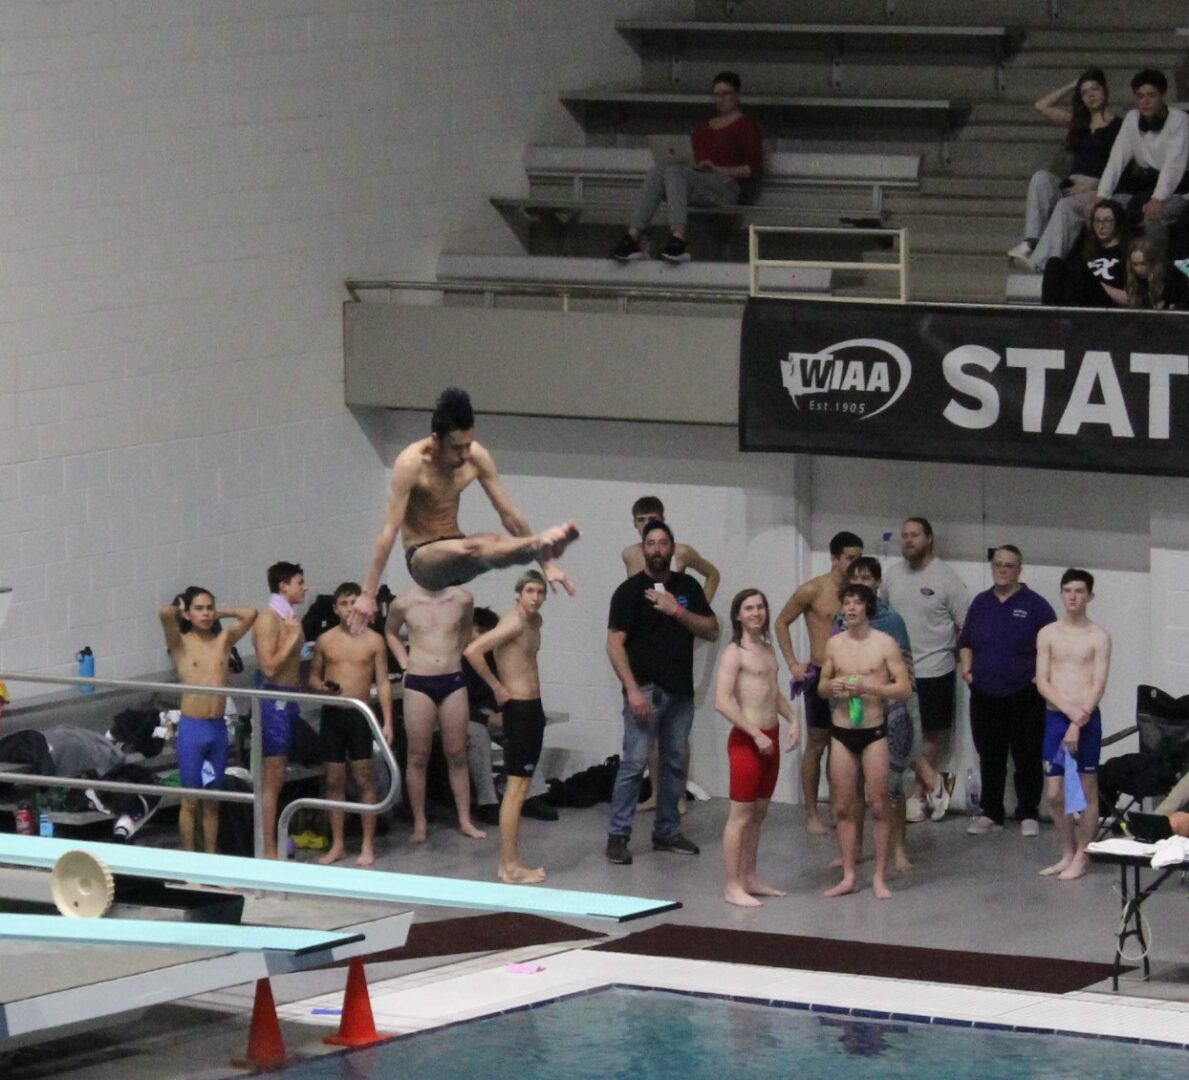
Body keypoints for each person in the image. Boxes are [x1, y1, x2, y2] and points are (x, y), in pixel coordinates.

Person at [348, 388, 578, 634]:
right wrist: (368, 593)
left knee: (492, 540)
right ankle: (538, 542)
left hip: (457, 551)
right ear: (436, 440)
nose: (464, 454)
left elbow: (509, 514)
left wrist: (546, 565)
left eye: (468, 445)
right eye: (457, 447)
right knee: (475, 546)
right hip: (423, 559)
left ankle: (539, 547)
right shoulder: (411, 463)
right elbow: (389, 531)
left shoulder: (476, 456)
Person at [605, 519, 719, 864]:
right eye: (651, 543)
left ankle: (667, 832)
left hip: (681, 693)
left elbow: (711, 629)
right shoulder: (628, 592)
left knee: (674, 763)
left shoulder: (688, 586)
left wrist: (677, 610)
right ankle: (618, 836)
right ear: (643, 549)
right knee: (634, 763)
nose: (657, 549)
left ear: (672, 548)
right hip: (645, 691)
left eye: (663, 543)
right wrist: (632, 690)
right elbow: (614, 644)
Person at [838, 557, 941, 873]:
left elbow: (905, 673)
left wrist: (902, 714)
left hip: (890, 710)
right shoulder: (840, 620)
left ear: (877, 583)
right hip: (853, 710)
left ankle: (898, 849)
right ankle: (855, 849)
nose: (861, 584)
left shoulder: (891, 620)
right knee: (854, 786)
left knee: (891, 787)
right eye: (855, 578)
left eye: (867, 578)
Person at [622, 494, 720, 813]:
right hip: (645, 647)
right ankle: (655, 792)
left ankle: (677, 796)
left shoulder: (682, 552)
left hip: (676, 641)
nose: (647, 524)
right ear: (634, 524)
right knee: (648, 732)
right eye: (642, 520)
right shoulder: (629, 555)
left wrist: (695, 610)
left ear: (663, 519)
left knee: (676, 732)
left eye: (653, 518)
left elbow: (713, 575)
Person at [609, 71, 763, 264]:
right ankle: (632, 236)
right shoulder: (703, 128)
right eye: (717, 95)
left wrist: (718, 169)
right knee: (658, 171)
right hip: (699, 181)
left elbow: (753, 168)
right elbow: (691, 159)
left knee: (674, 172)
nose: (721, 99)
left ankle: (679, 238)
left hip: (726, 187)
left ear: (737, 95)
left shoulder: (746, 125)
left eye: (726, 94)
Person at [818, 584, 911, 900]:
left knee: (879, 804)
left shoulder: (885, 644)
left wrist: (871, 688)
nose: (851, 608)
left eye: (857, 603)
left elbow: (904, 688)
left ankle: (879, 876)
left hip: (873, 731)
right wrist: (834, 686)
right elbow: (821, 688)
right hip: (842, 730)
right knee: (842, 807)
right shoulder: (834, 644)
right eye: (846, 603)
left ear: (867, 608)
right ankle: (848, 875)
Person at [958, 546, 1057, 838]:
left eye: (1009, 565)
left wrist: (1040, 678)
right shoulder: (981, 603)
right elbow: (965, 641)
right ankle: (991, 813)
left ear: (1019, 569)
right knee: (990, 755)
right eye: (998, 564)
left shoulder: (1036, 605)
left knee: (1027, 755)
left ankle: (1028, 812)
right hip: (984, 693)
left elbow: (1053, 646)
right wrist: (968, 670)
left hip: (1024, 693)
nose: (1002, 569)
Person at [464, 570, 551, 883]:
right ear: (518, 594)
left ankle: (511, 863)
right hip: (519, 710)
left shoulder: (535, 622)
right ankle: (509, 866)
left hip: (533, 708)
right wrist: (497, 687)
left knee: (522, 787)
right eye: (530, 591)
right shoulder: (512, 623)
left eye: (540, 592)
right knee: (515, 790)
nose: (535, 598)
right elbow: (473, 651)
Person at [774, 531, 864, 836]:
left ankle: (840, 809)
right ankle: (811, 813)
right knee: (817, 743)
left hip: (851, 678)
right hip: (820, 676)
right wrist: (792, 663)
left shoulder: (860, 593)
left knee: (846, 745)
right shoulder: (813, 589)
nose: (855, 564)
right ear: (835, 558)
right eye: (850, 558)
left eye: (859, 558)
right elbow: (781, 621)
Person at [715, 588, 800, 907]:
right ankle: (732, 885)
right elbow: (722, 702)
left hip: (771, 736)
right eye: (749, 608)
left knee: (759, 814)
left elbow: (773, 693)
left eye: (760, 607)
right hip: (747, 741)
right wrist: (754, 734)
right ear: (738, 615)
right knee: (740, 815)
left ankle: (749, 876)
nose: (756, 613)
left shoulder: (768, 649)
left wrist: (793, 719)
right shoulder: (734, 653)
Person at [880, 517, 968, 822]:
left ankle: (919, 795)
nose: (908, 540)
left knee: (930, 734)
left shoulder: (947, 578)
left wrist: (953, 658)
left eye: (915, 535)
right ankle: (930, 782)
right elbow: (881, 616)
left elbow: (965, 626)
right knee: (896, 733)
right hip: (897, 672)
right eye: (904, 535)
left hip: (935, 669)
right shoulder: (892, 576)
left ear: (929, 538)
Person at [386, 583, 485, 843]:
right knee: (418, 755)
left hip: (452, 679)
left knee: (457, 753)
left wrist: (454, 655)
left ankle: (465, 819)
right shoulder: (403, 602)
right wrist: (405, 664)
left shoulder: (463, 599)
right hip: (419, 681)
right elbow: (391, 633)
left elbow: (466, 630)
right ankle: (419, 823)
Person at [159, 587, 256, 853]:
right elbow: (164, 614)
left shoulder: (224, 640)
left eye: (209, 608)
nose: (205, 614)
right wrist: (180, 611)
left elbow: (250, 614)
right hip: (193, 729)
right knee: (191, 800)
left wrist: (218, 613)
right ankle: (190, 860)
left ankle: (211, 858)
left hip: (217, 730)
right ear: (188, 614)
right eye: (199, 609)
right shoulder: (180, 643)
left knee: (213, 800)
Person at [307, 582, 394, 867]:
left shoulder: (374, 640)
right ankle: (338, 844)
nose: (349, 609)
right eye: (343, 604)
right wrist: (321, 686)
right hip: (333, 714)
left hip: (360, 715)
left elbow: (383, 682)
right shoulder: (325, 640)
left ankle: (367, 845)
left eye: (353, 603)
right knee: (333, 779)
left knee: (364, 778)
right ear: (335, 608)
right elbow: (313, 676)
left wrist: (388, 722)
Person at [1037, 569, 1111, 882]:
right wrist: (1068, 716)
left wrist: (1078, 721)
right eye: (1067, 590)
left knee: (1086, 789)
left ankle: (1083, 855)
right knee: (1055, 793)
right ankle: (1067, 852)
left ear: (1089, 596)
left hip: (1086, 720)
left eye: (1079, 591)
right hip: (1057, 718)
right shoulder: (1048, 634)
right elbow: (1042, 681)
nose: (1072, 596)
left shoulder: (1098, 636)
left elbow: (1098, 684)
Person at [1011, 69, 1121, 271]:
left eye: (1095, 89)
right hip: (1072, 183)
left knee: (1065, 206)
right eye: (1085, 92)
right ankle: (1030, 243)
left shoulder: (1119, 127)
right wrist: (1073, 84)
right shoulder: (1079, 123)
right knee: (1041, 178)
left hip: (1098, 187)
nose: (1090, 95)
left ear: (1105, 91)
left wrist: (1092, 186)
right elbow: (1041, 105)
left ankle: (1041, 263)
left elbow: (1121, 169)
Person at [251, 561, 308, 860]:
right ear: (283, 586)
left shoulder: (288, 618)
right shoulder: (268, 620)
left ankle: (276, 837)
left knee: (281, 773)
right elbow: (270, 668)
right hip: (273, 701)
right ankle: (269, 848)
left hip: (289, 699)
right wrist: (291, 639)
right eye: (300, 582)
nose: (305, 588)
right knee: (272, 777)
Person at [1094, 69, 1189, 246]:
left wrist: (1158, 198)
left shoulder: (1179, 120)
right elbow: (1116, 159)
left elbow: (1173, 166)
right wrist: (1102, 195)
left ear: (1162, 95)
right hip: (1144, 188)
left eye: (1151, 95)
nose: (1145, 102)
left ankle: (1155, 261)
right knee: (1107, 211)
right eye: (1140, 96)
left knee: (1153, 216)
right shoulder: (1132, 118)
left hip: (1178, 190)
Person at [1041, 198, 1130, 307]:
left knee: (1078, 267)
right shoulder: (1086, 249)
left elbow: (1133, 299)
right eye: (1097, 221)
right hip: (1079, 298)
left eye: (1107, 221)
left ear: (1118, 222)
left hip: (1106, 304)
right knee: (1054, 263)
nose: (1101, 226)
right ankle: (1050, 314)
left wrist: (1098, 284)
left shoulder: (1127, 253)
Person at [1125, 235, 1189, 309]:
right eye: (1135, 264)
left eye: (1143, 264)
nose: (1139, 270)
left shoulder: (1171, 276)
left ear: (1153, 262)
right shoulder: (1133, 278)